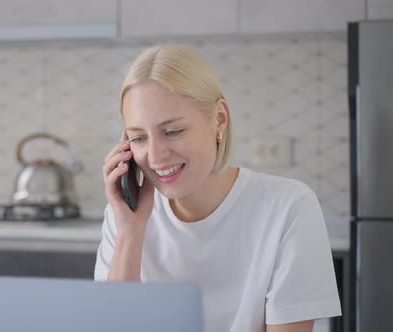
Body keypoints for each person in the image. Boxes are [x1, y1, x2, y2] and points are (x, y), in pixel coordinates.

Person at [95, 43, 341, 332]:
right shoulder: (124, 218)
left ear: (219, 119)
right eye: (138, 138)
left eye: (173, 131)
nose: (156, 155)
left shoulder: (288, 207)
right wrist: (130, 232)